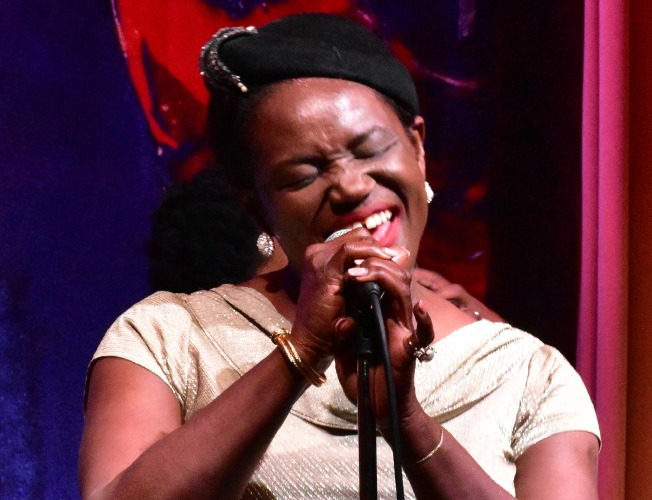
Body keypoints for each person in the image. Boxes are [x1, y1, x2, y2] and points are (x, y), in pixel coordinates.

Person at [79, 13, 599, 499]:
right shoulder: (167, 336)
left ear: (418, 148)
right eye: (303, 175)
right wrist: (302, 352)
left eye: (371, 150)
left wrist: (408, 423)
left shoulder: (527, 372)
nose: (350, 186)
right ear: (257, 208)